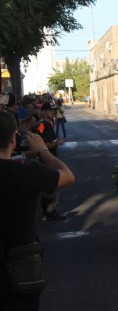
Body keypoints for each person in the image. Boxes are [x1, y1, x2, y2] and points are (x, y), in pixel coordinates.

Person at [0, 111, 75, 310]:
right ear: (13, 140)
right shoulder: (28, 172)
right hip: (21, 265)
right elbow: (67, 176)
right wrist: (43, 150)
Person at [34, 102, 67, 221]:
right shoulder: (44, 125)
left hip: (48, 158)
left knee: (49, 185)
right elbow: (43, 144)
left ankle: (47, 212)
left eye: (53, 110)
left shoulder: (44, 124)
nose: (53, 112)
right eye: (50, 110)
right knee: (54, 184)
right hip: (49, 159)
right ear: (43, 112)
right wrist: (57, 142)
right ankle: (50, 211)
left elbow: (39, 135)